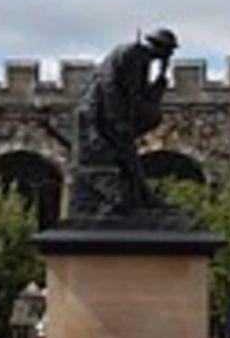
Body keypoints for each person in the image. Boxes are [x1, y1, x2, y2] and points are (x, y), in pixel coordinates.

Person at [71, 28, 179, 216]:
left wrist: (161, 79)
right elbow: (108, 84)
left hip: (111, 117)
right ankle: (130, 199)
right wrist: (117, 120)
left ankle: (145, 198)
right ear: (161, 48)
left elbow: (142, 100)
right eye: (170, 50)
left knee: (128, 155)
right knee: (105, 161)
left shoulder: (143, 62)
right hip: (96, 117)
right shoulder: (129, 53)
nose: (170, 55)